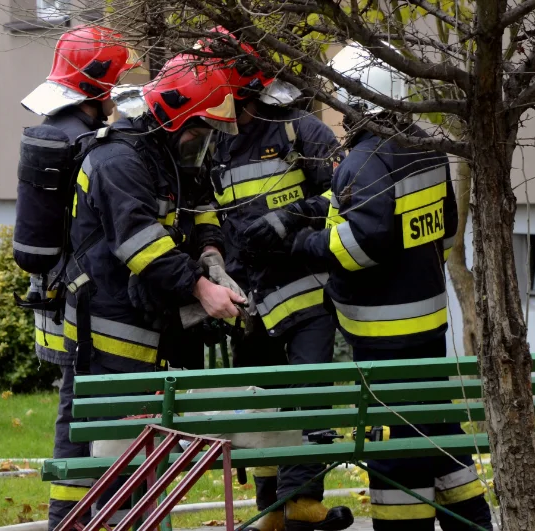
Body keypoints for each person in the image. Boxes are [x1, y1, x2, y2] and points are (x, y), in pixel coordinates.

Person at [249, 43, 492, 531]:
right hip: (428, 321)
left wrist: (306, 243)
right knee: (436, 425)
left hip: (384, 335)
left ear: (357, 101)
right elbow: (443, 226)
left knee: (393, 446)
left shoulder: (363, 161)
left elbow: (363, 245)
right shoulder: (425, 145)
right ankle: (474, 521)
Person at [63, 52, 246, 524]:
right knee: (111, 457)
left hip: (155, 328)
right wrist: (203, 290)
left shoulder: (171, 153)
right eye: (198, 131)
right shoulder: (117, 160)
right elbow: (141, 245)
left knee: (147, 462)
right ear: (171, 119)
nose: (201, 143)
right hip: (111, 335)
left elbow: (202, 207)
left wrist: (212, 257)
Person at [205, 32, 351, 531]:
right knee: (263, 404)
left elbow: (347, 199)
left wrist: (291, 218)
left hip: (306, 292)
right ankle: (271, 506)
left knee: (310, 395)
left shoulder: (301, 131)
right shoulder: (212, 142)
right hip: (248, 300)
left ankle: (303, 499)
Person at [17, 25, 141, 530]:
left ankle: (66, 518)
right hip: (84, 304)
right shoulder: (91, 144)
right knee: (86, 412)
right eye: (114, 82)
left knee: (74, 409)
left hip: (56, 294)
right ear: (99, 84)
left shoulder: (52, 127)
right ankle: (87, 517)